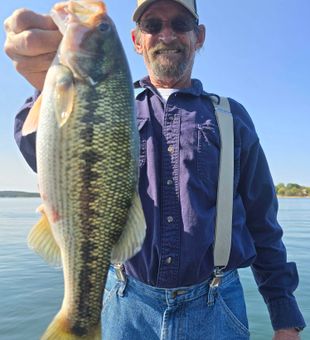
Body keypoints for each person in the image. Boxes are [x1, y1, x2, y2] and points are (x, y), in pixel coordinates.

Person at [4, 0, 306, 339]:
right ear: (136, 40)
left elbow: (262, 222)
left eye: (180, 23)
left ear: (199, 36)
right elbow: (39, 152)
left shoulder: (231, 118)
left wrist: (284, 316)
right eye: (151, 25)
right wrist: (45, 88)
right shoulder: (109, 104)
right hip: (124, 305)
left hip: (217, 305)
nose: (167, 34)